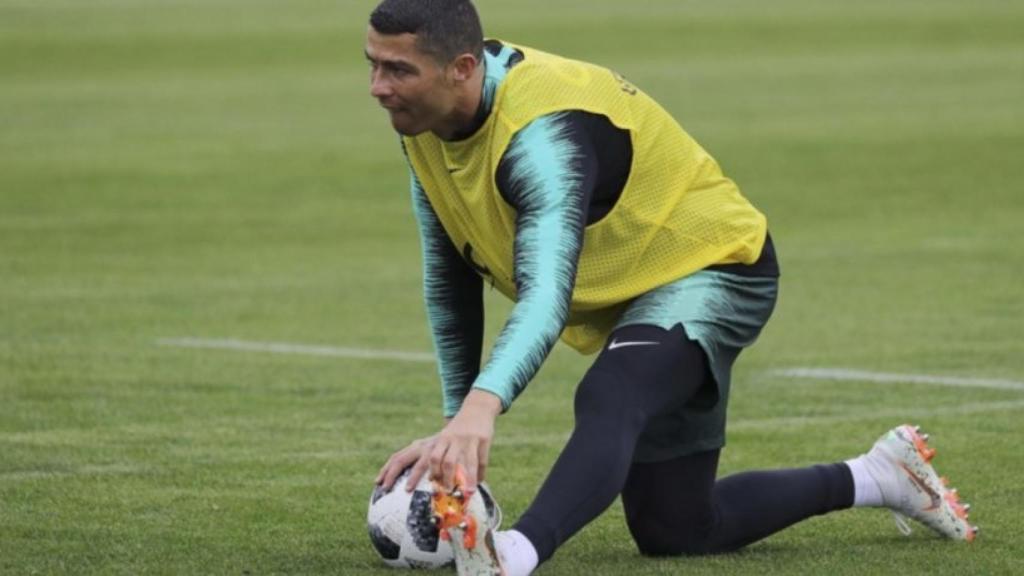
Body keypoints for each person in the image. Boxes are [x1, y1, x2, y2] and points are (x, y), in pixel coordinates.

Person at [365, 1, 978, 574]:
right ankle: (880, 475)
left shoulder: (542, 136)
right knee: (677, 528)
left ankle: (514, 556)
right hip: (632, 286)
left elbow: (545, 295)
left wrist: (481, 409)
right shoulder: (426, 117)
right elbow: (450, 271)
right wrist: (454, 425)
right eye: (372, 65)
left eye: (398, 69)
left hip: (714, 265)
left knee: (612, 393)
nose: (378, 87)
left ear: (462, 69)